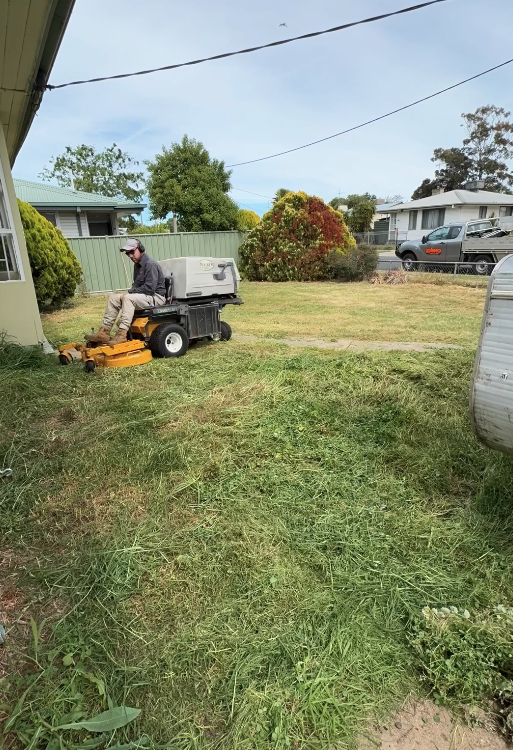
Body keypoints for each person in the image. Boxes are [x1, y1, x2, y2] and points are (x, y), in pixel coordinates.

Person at [86, 239, 166, 345]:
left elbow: (149, 289)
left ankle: (121, 335)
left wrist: (129, 292)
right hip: (145, 296)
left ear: (140, 249)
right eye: (128, 253)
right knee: (113, 298)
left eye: (132, 252)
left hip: (156, 297)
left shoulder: (150, 264)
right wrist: (129, 292)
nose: (130, 256)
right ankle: (104, 332)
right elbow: (136, 285)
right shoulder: (137, 265)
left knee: (128, 298)